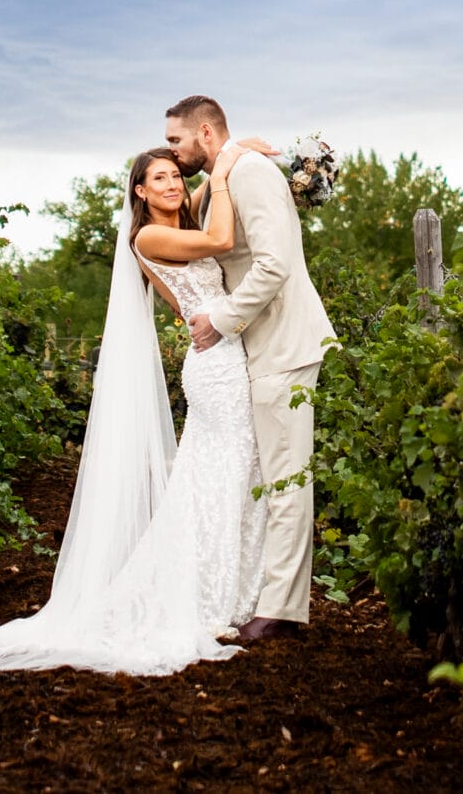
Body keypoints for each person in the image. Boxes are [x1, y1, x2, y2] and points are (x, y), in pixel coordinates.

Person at [0, 141, 274, 676]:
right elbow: (222, 238)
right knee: (222, 474)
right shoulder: (148, 235)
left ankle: (227, 592)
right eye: (159, 179)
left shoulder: (181, 222)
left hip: (226, 352)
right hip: (215, 366)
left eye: (175, 177)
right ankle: (205, 598)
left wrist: (233, 161)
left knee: (226, 472)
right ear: (140, 192)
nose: (171, 185)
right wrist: (228, 165)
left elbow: (216, 224)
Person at [161, 94, 334, 643]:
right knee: (268, 478)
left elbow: (274, 263)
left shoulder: (251, 174)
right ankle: (265, 593)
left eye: (175, 140)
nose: (172, 150)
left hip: (282, 344)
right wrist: (228, 160)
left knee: (286, 480)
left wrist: (222, 318)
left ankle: (282, 609)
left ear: (204, 132)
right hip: (254, 353)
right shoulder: (227, 173)